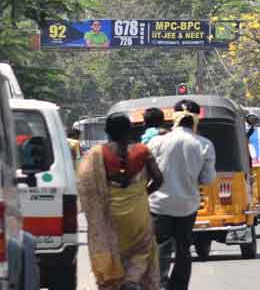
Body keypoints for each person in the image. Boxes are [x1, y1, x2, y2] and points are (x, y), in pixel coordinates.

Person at [77, 112, 164, 290]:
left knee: (114, 250)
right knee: (143, 250)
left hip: (111, 215)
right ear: (129, 129)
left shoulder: (96, 154)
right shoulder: (142, 150)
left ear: (107, 131)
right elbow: (159, 179)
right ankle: (132, 279)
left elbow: (85, 184)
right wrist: (142, 193)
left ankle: (117, 282)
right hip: (138, 212)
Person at [147, 99, 215, 290]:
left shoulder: (157, 141)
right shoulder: (204, 144)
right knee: (184, 249)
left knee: (161, 246)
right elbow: (207, 179)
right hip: (188, 206)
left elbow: (147, 174)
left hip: (159, 205)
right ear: (196, 118)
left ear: (174, 117)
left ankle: (158, 284)